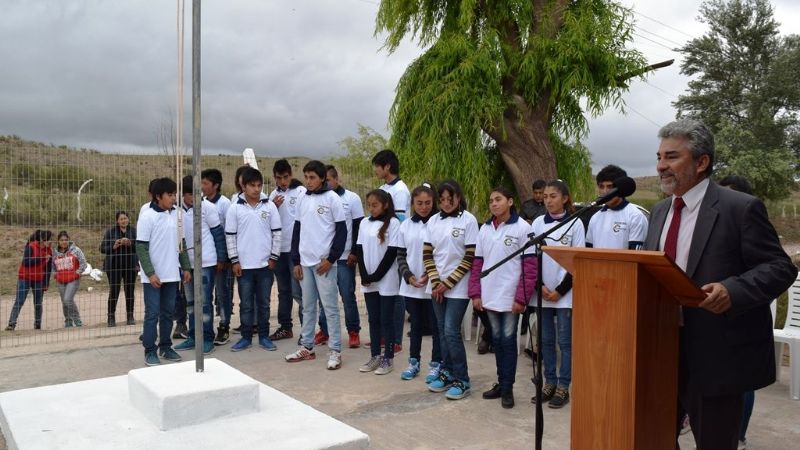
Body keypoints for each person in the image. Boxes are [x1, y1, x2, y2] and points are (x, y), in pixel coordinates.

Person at [644, 119, 797, 449]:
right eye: (659, 157)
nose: (660, 166)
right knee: (653, 437)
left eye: (671, 157)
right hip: (661, 351)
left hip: (716, 357)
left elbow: (780, 267)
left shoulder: (739, 208)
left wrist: (734, 291)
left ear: (702, 162)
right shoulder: (658, 212)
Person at [468, 187, 537, 409]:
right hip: (489, 294)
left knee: (508, 342)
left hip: (510, 296)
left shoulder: (522, 228)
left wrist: (521, 297)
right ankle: (501, 382)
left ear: (510, 201)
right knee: (497, 342)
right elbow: (477, 262)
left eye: (498, 199)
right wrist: (475, 292)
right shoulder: (485, 229)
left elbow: (529, 266)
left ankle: (508, 388)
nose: (493, 204)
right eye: (491, 201)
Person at [285, 160, 347, 370]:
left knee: (329, 308)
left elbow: (341, 232)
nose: (308, 181)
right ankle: (307, 346)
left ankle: (336, 350)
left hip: (324, 264)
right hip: (305, 262)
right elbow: (297, 230)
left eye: (312, 177)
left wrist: (331, 259)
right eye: (306, 177)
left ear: (322, 178)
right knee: (307, 306)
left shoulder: (332, 199)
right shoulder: (302, 199)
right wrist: (296, 260)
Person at [530, 179, 585, 409]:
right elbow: (531, 260)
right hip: (542, 292)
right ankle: (549, 382)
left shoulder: (576, 224)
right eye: (546, 196)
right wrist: (540, 286)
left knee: (565, 341)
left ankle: (564, 386)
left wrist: (561, 291)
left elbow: (578, 261)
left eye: (554, 196)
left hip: (565, 294)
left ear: (565, 198)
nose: (548, 200)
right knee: (546, 340)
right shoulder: (537, 223)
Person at [423, 180, 478, 400]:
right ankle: (446, 372)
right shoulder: (434, 221)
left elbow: (470, 256)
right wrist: (436, 282)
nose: (446, 203)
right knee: (440, 329)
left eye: (450, 198)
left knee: (451, 330)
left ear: (458, 197)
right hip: (436, 285)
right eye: (442, 199)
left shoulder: (469, 220)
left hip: (458, 286)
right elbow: (428, 253)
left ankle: (462, 379)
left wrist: (448, 283)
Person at [136, 177, 192, 366]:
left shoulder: (177, 214)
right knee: (152, 314)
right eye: (170, 195)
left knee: (168, 313)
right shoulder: (147, 216)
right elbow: (141, 248)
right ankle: (150, 350)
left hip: (171, 274)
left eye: (175, 194)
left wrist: (185, 267)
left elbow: (181, 243)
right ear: (158, 196)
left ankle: (166, 347)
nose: (174, 198)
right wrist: (150, 273)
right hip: (152, 277)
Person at [225, 167, 281, 352]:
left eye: (259, 185)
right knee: (246, 304)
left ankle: (264, 336)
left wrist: (273, 257)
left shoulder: (270, 206)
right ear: (244, 186)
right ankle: (246, 337)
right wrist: (235, 261)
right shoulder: (235, 208)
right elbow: (230, 236)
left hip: (265, 265)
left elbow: (277, 234)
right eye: (252, 185)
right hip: (244, 266)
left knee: (264, 304)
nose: (256, 189)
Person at [718, 174, 756, 450]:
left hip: (744, 311)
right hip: (714, 314)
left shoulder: (750, 218)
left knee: (743, 381)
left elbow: (773, 269)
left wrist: (734, 290)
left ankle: (739, 435)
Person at [174, 176, 227, 355]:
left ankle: (206, 337)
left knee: (204, 301)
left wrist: (221, 259)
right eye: (190, 194)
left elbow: (218, 234)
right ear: (183, 195)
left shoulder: (208, 208)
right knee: (190, 301)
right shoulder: (176, 211)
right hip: (187, 263)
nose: (194, 197)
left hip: (206, 261)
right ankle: (192, 336)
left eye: (197, 193)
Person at [314, 165, 364, 348]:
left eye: (328, 180)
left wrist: (354, 252)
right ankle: (325, 331)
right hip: (325, 258)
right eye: (323, 180)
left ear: (336, 179)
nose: (325, 183)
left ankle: (353, 332)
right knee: (324, 297)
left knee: (347, 295)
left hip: (344, 258)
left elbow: (359, 227)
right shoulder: (318, 199)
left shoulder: (351, 199)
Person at [397, 183, 442, 382]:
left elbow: (441, 253)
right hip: (411, 285)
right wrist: (408, 276)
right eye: (419, 203)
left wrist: (429, 275)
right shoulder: (406, 225)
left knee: (435, 326)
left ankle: (436, 364)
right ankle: (413, 362)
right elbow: (401, 255)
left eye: (427, 203)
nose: (424, 207)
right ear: (413, 203)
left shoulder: (438, 223)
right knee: (415, 326)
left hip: (432, 284)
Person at [356, 189, 401, 375]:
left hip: (386, 279)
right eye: (369, 205)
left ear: (385, 205)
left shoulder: (394, 223)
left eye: (375, 205)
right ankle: (375, 355)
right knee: (373, 319)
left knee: (386, 319)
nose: (371, 209)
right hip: (369, 280)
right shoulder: (364, 223)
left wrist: (376, 276)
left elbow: (392, 253)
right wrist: (365, 275)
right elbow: (359, 248)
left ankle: (388, 358)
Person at [373, 149, 410, 353]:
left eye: (377, 166)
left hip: (396, 246)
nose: (375, 170)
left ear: (387, 166)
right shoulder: (383, 188)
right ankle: (382, 335)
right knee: (383, 291)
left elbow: (400, 221)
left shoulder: (401, 190)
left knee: (396, 294)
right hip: (383, 246)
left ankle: (395, 339)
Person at [268, 159, 306, 341]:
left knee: (299, 290)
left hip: (295, 250)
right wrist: (272, 208)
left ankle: (306, 331)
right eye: (279, 178)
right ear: (274, 178)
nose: (283, 181)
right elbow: (266, 220)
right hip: (278, 249)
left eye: (285, 177)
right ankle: (285, 327)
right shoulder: (272, 195)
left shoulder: (301, 192)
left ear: (290, 175)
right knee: (283, 291)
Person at [201, 168, 234, 345]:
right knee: (206, 295)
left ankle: (224, 326)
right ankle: (206, 329)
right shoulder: (203, 202)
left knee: (222, 293)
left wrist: (225, 258)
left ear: (216, 185)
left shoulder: (225, 204)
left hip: (221, 258)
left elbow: (228, 232)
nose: (202, 186)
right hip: (207, 256)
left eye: (206, 183)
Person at [585, 164, 648, 251]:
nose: (605, 191)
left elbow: (636, 255)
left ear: (621, 188)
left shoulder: (635, 216)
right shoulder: (595, 218)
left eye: (610, 187)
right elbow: (588, 251)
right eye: (601, 186)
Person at [6, 230, 53, 331]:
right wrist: (42, 257)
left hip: (38, 280)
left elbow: (48, 269)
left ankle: (37, 324)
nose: (50, 242)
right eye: (48, 240)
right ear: (42, 240)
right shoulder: (31, 247)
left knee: (38, 303)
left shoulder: (49, 251)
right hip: (25, 278)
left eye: (50, 240)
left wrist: (46, 283)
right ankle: (11, 324)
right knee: (19, 301)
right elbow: (26, 262)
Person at [100, 211, 138, 326]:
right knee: (114, 291)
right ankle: (111, 318)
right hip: (114, 267)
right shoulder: (110, 232)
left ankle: (130, 316)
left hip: (130, 266)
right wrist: (114, 246)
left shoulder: (133, 231)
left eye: (125, 218)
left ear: (128, 219)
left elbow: (140, 247)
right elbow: (102, 248)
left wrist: (130, 244)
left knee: (130, 291)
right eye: (121, 219)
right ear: (117, 221)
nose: (124, 221)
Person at [53, 231, 87, 327]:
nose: (64, 242)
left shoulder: (75, 250)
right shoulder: (55, 252)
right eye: (61, 240)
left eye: (66, 240)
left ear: (68, 240)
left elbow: (83, 262)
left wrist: (78, 272)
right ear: (58, 241)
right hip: (61, 280)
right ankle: (68, 320)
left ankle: (77, 319)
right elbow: (52, 266)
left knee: (68, 299)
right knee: (64, 301)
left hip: (73, 279)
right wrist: (55, 274)